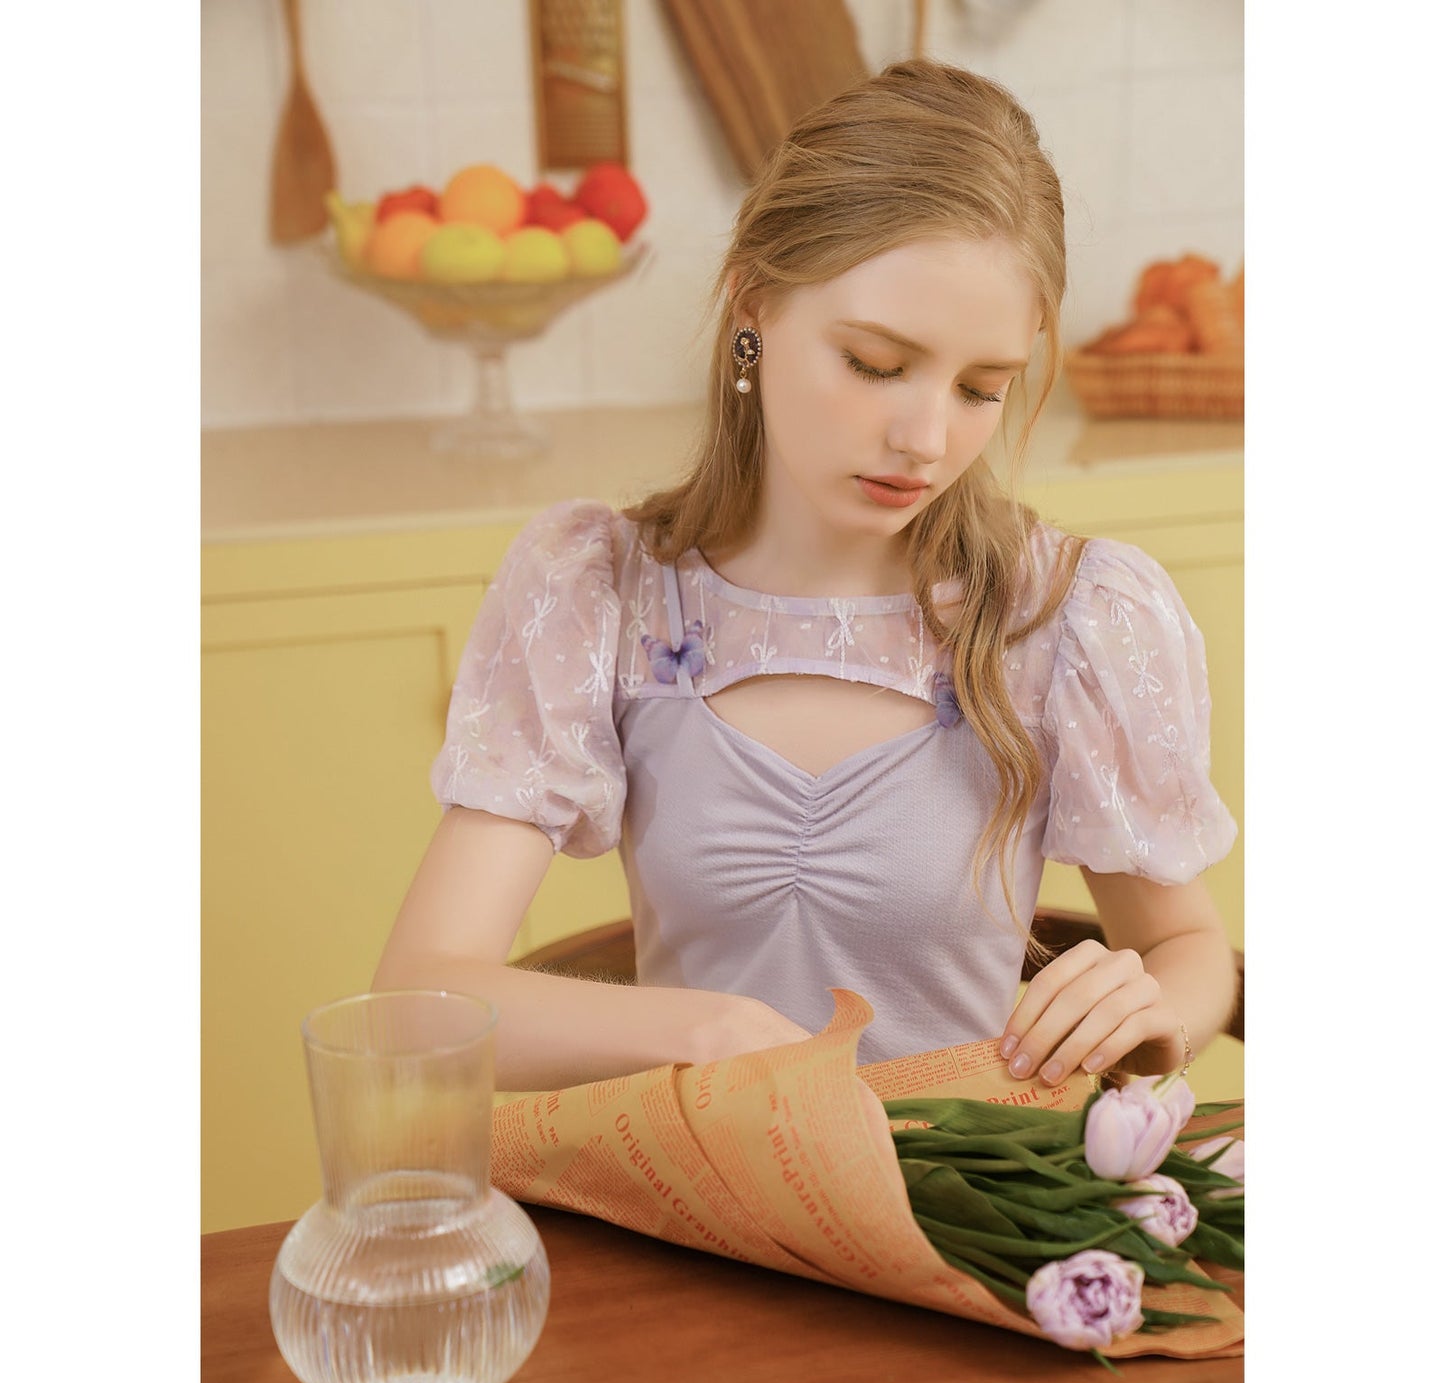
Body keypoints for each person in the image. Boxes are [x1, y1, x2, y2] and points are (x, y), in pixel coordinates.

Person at [374, 58, 1239, 1093]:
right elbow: (418, 1002)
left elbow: (1186, 947)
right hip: (694, 1183)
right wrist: (701, 1030)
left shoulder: (1063, 615)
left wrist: (1150, 1003)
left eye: (980, 387)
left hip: (956, 1188)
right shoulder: (600, 591)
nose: (924, 437)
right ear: (755, 305)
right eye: (874, 363)